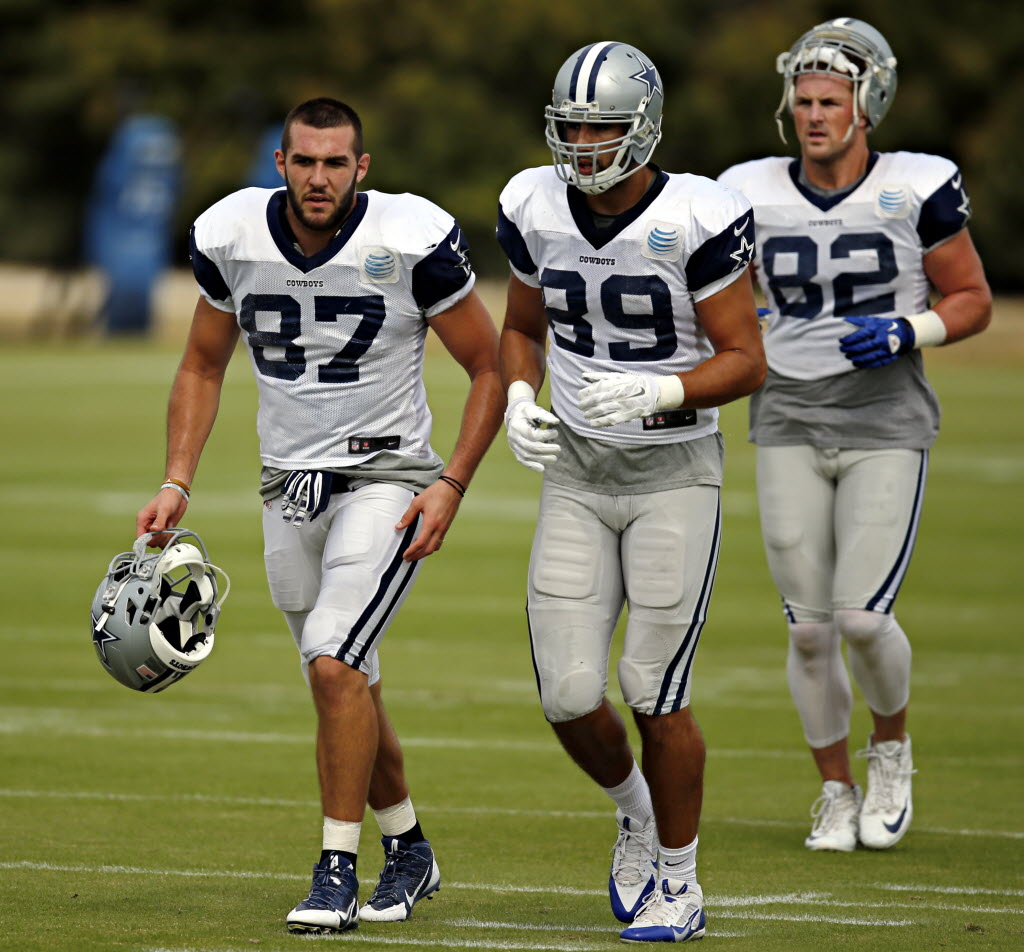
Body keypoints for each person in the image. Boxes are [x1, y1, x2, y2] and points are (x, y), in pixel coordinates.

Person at [137, 97, 503, 933]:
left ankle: (336, 867)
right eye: (305, 161)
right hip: (285, 487)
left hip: (386, 478)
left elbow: (485, 366)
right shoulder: (234, 235)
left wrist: (451, 482)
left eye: (335, 162)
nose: (319, 177)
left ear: (360, 169)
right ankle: (409, 849)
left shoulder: (408, 238)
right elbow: (201, 364)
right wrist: (177, 482)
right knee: (343, 682)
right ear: (280, 161)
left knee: (335, 661)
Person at [497, 42, 766, 943]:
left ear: (642, 124)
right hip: (575, 472)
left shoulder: (696, 214)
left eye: (601, 125)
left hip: (673, 475)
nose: (581, 143)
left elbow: (747, 362)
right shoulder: (534, 205)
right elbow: (520, 327)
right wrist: (518, 393)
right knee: (569, 694)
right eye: (571, 126)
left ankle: (681, 882)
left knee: (653, 686)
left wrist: (665, 389)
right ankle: (637, 813)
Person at [718, 18, 991, 852]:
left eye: (829, 100)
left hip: (883, 413)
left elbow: (971, 298)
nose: (812, 115)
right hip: (790, 410)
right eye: (801, 100)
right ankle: (834, 789)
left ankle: (892, 749)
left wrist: (913, 332)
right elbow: (724, 294)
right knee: (808, 626)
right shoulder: (749, 189)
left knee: (863, 620)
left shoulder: (916, 185)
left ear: (867, 103)